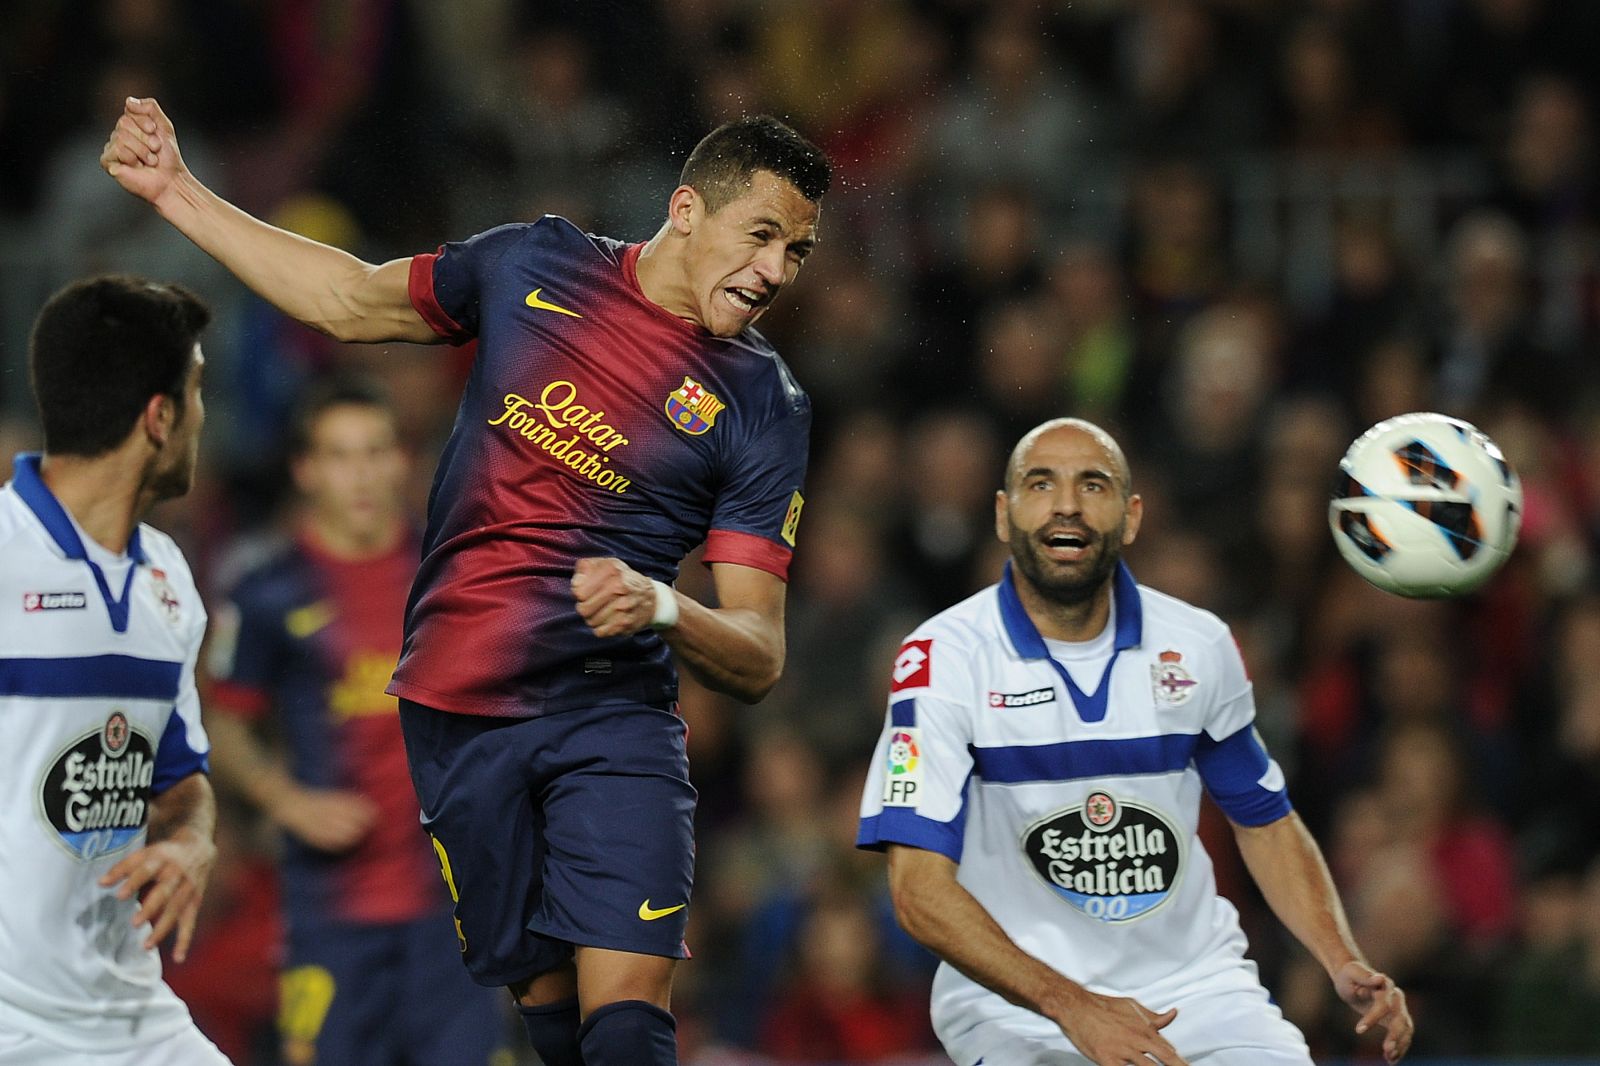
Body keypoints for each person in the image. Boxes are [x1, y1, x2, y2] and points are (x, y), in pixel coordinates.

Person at [103, 96, 829, 1066]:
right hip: (457, 712)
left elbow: (758, 650)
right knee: (555, 1024)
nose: (775, 270)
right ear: (688, 209)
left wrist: (663, 603)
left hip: (612, 720)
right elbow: (349, 300)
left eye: (798, 252)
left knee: (627, 1022)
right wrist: (180, 192)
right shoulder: (538, 264)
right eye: (764, 235)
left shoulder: (761, 405)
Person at [856, 417, 1414, 1066]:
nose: (1067, 504)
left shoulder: (1199, 645)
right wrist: (1073, 1006)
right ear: (1004, 516)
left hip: (1198, 993)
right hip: (1019, 1011)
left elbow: (1264, 821)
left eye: (1093, 485)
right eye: (1042, 484)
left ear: (1132, 516)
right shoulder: (942, 659)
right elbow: (917, 890)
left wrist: (1340, 956)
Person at [204, 377, 507, 1066]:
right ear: (305, 470)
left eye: (375, 452)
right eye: (340, 456)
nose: (362, 475)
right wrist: (288, 801)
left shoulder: (453, 575)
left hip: (452, 913)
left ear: (401, 460)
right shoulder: (266, 592)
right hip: (330, 912)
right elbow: (224, 723)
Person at [0, 275, 228, 1065]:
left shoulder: (168, 579)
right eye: (197, 393)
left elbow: (179, 780)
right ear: (159, 417)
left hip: (132, 1018)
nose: (205, 418)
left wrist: (193, 841)